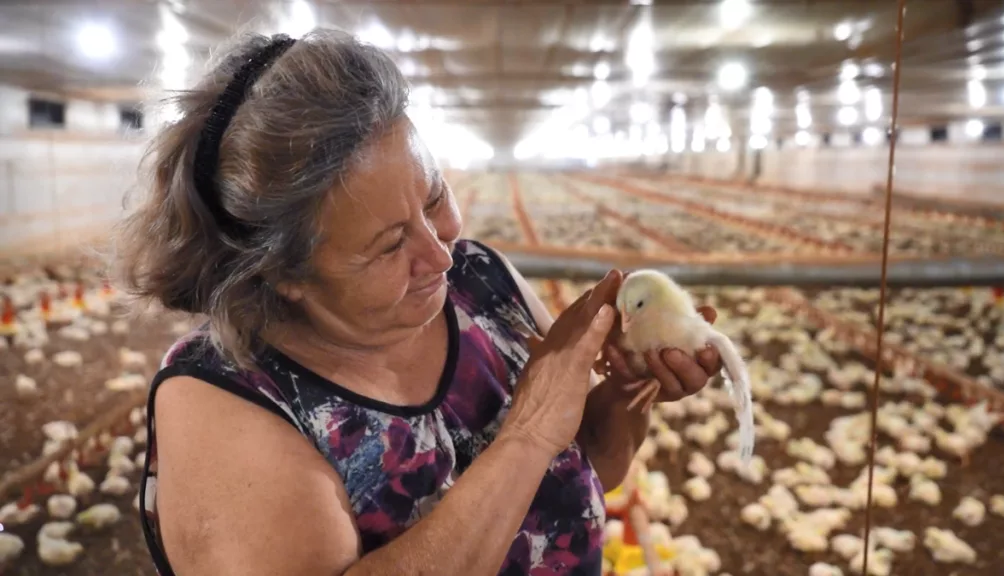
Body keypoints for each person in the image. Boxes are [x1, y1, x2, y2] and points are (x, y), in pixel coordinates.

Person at [115, 29, 722, 576]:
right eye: (388, 246)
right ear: (285, 274)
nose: (440, 255)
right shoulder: (224, 400)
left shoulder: (484, 282)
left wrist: (625, 394)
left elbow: (586, 469)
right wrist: (529, 431)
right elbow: (539, 443)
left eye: (433, 198)